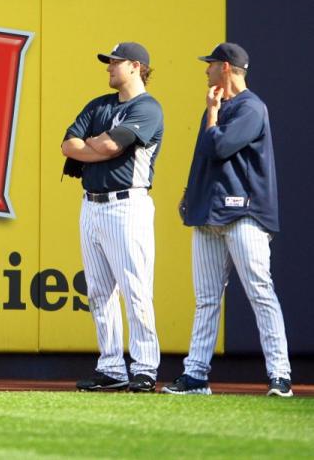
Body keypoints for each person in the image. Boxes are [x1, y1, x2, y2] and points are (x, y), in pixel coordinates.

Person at [162, 43, 293, 397]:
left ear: (225, 67)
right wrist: (192, 193)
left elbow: (219, 146)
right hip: (209, 213)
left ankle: (280, 375)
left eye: (210, 65)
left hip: (243, 214)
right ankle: (195, 376)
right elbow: (205, 156)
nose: (205, 71)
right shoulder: (220, 107)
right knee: (206, 299)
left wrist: (212, 113)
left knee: (260, 292)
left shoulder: (251, 107)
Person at [61, 42, 163, 393]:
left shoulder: (148, 108)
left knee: (135, 288)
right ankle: (112, 367)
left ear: (136, 66)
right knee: (99, 291)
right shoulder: (99, 105)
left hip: (127, 204)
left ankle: (145, 367)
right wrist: (96, 145)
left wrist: (93, 146)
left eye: (115, 62)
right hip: (91, 204)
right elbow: (67, 145)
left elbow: (108, 146)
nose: (109, 67)